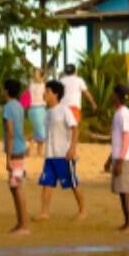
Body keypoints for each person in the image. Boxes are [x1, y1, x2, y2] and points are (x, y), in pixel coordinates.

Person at [36, 78, 85, 221]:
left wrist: (72, 149)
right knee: (46, 184)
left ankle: (82, 211)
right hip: (50, 156)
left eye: (47, 91)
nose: (44, 94)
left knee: (73, 183)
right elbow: (48, 134)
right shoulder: (47, 113)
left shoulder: (64, 110)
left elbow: (75, 129)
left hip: (64, 155)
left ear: (55, 94)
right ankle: (44, 213)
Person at [104, 83, 129, 233]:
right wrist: (110, 160)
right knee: (122, 191)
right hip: (119, 156)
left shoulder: (123, 113)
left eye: (113, 93)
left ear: (117, 96)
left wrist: (120, 160)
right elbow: (117, 140)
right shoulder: (120, 113)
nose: (111, 95)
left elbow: (126, 138)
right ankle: (127, 222)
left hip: (123, 158)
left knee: (125, 190)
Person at [1, 77, 31, 235]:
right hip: (19, 149)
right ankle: (20, 223)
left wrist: (8, 157)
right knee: (14, 186)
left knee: (17, 187)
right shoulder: (19, 106)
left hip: (15, 152)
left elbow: (11, 133)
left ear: (7, 91)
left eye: (2, 89)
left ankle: (24, 225)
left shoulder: (8, 107)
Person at [26, 68, 48, 157]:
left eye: (37, 73)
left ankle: (38, 151)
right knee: (41, 132)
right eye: (35, 73)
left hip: (41, 109)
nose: (35, 75)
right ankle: (27, 146)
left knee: (39, 131)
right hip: (34, 109)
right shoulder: (32, 84)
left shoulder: (43, 85)